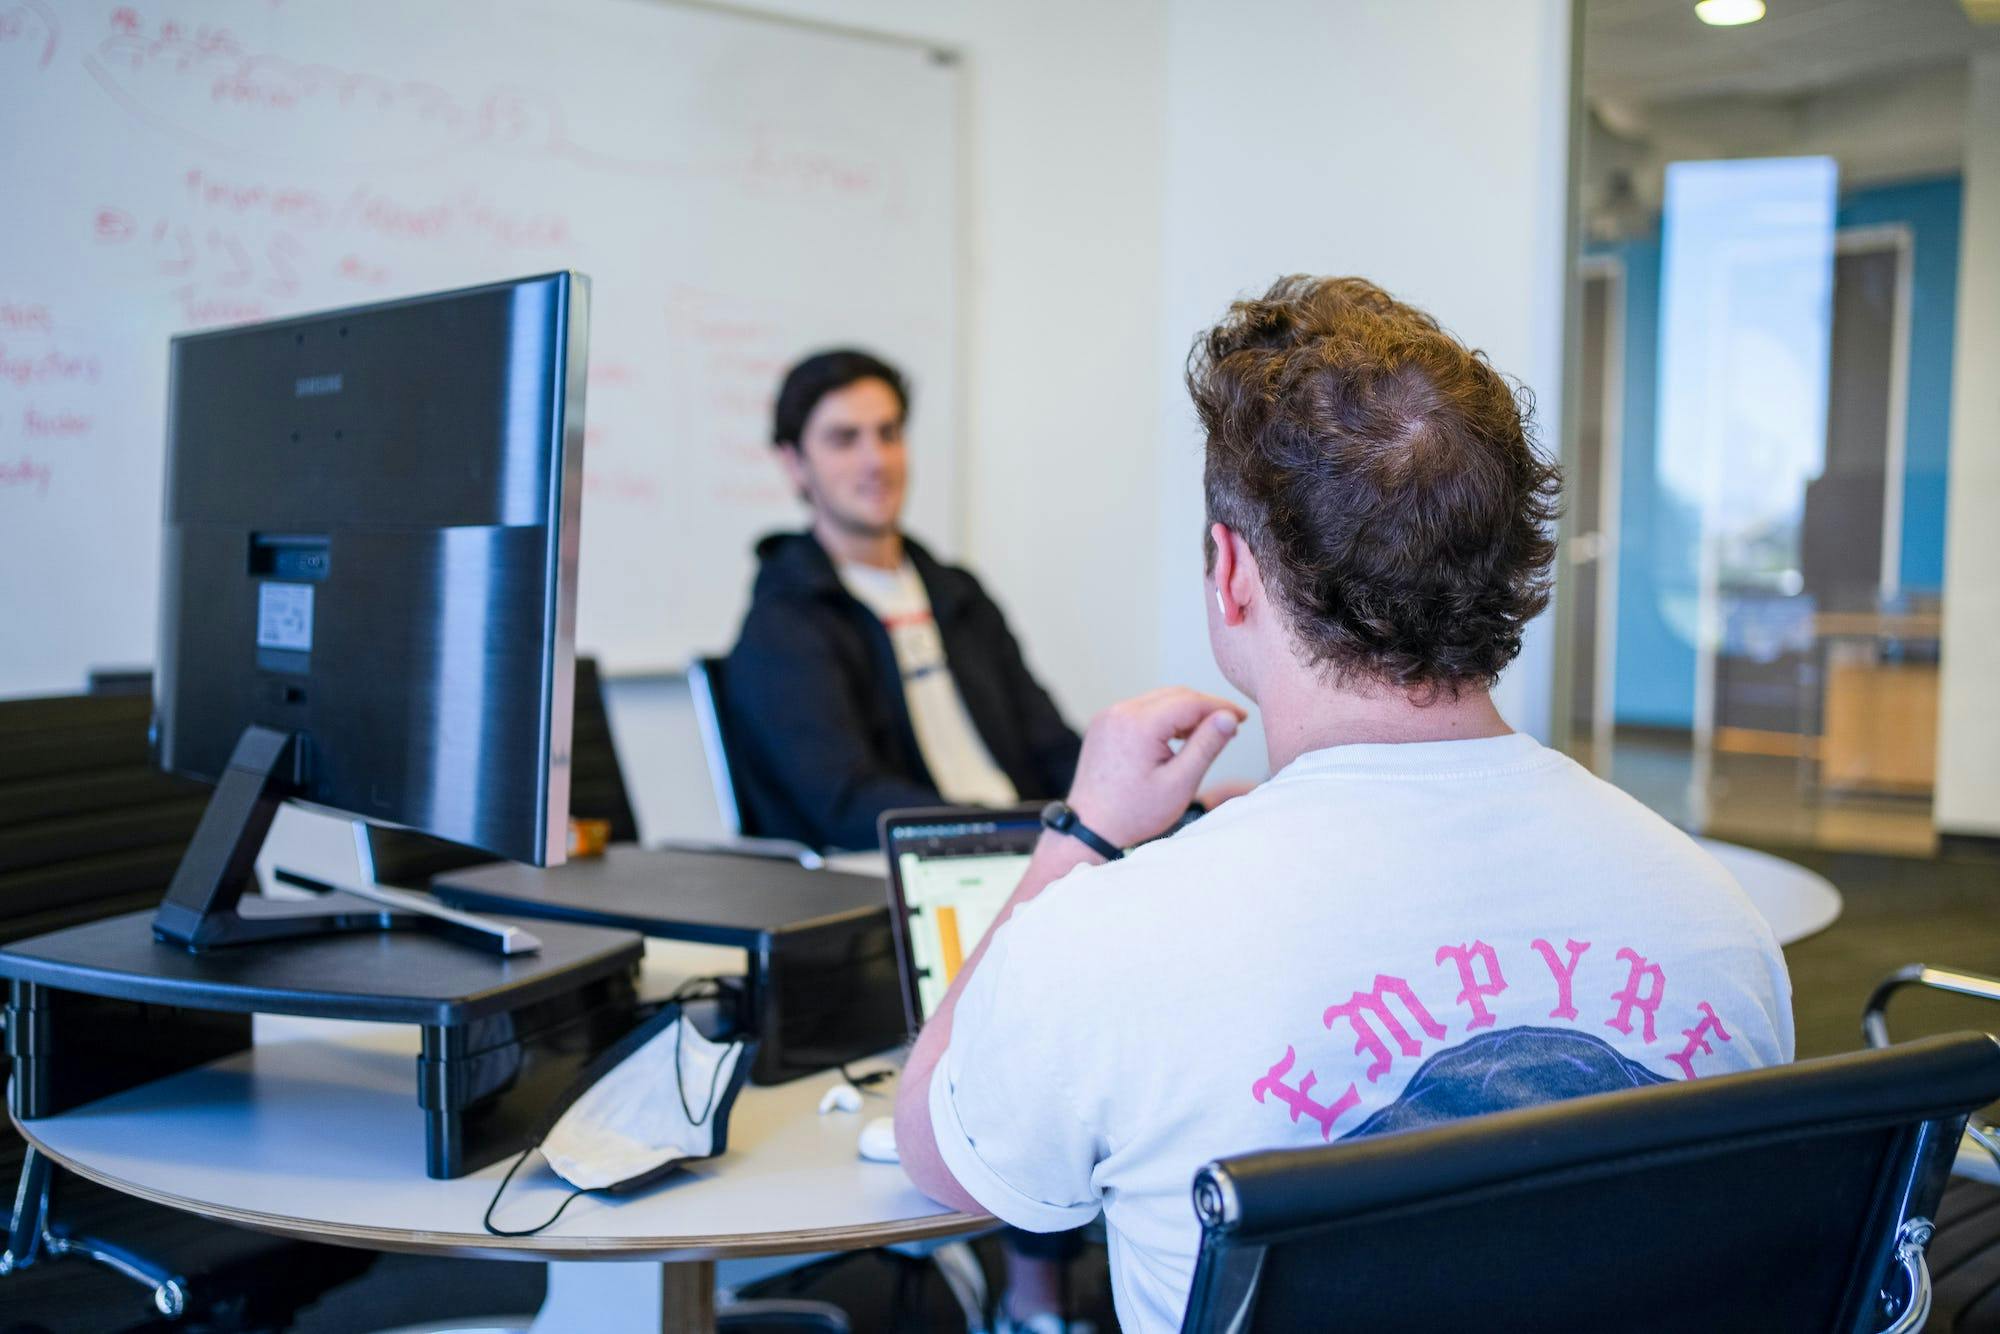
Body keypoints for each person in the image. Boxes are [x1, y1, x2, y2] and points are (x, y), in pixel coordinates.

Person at [892, 276, 1795, 1333]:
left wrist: (1080, 838)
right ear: (1501, 564)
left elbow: (936, 1148)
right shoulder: (1717, 923)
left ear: (1227, 572)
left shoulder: (1107, 939)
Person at [725, 349, 1081, 853]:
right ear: (794, 463)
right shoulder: (785, 624)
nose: (877, 460)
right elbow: (845, 804)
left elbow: (1051, 746)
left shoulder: (957, 594)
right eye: (844, 439)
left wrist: (1144, 807)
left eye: (888, 433)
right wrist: (1006, 835)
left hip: (1030, 849)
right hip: (928, 872)